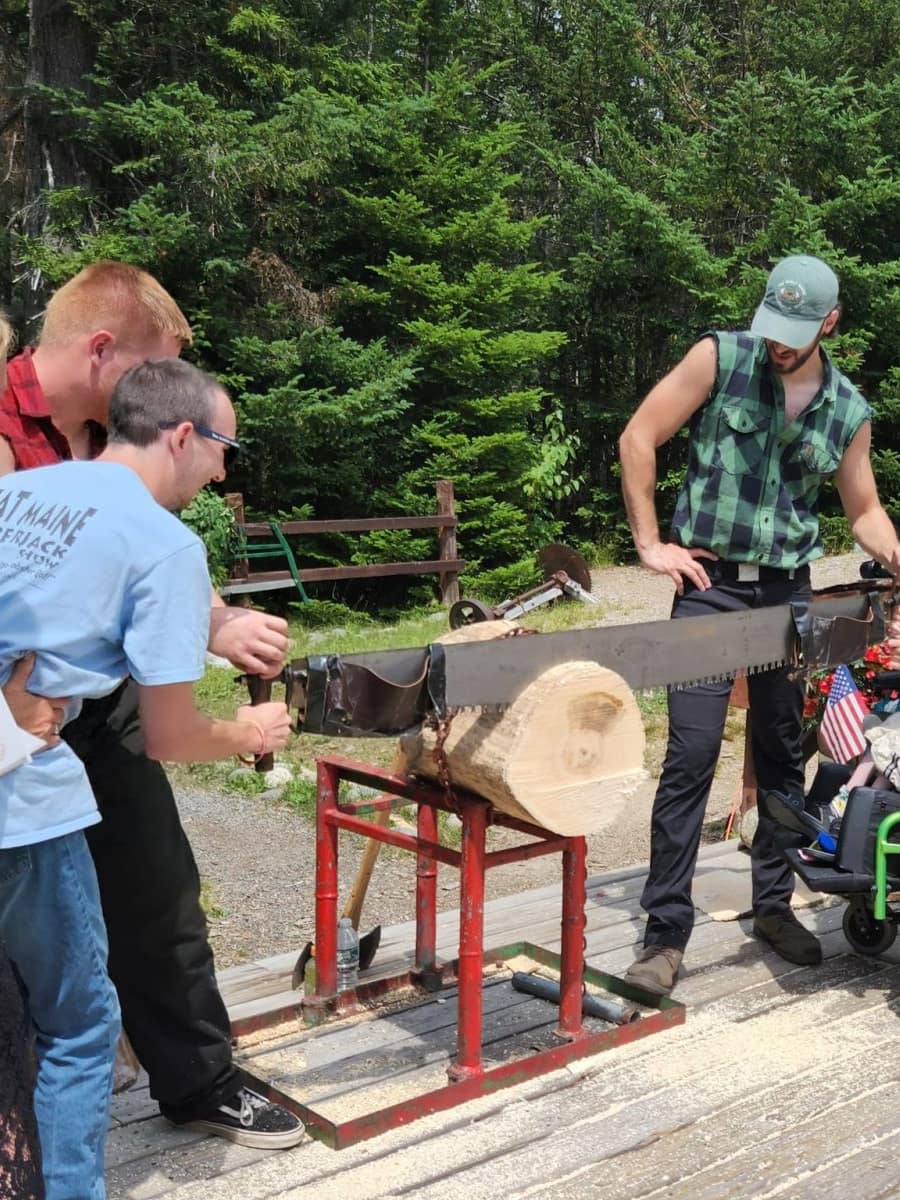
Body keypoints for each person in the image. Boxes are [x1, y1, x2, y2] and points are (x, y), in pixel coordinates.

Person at [0, 262, 304, 1147]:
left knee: (159, 891)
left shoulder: (105, 433)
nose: (160, 384)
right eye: (152, 365)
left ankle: (197, 1078)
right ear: (102, 351)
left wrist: (214, 620)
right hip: (19, 729)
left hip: (93, 706)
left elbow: (136, 548)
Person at [618, 254, 900, 995]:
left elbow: (864, 510)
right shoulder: (720, 357)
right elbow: (638, 436)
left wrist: (898, 554)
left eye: (797, 333)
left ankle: (774, 907)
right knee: (690, 757)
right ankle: (664, 935)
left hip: (785, 596)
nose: (779, 344)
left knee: (779, 755)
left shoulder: (847, 409)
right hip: (708, 589)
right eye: (774, 325)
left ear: (830, 323)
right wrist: (650, 544)